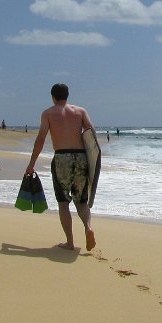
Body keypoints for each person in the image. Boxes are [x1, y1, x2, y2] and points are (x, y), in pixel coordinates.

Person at [26, 83, 96, 251]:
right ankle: (88, 228)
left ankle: (70, 242)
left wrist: (31, 164)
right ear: (67, 95)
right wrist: (93, 163)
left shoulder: (48, 113)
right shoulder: (80, 111)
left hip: (61, 159)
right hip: (80, 158)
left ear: (52, 96)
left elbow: (41, 139)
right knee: (81, 200)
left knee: (63, 202)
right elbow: (91, 134)